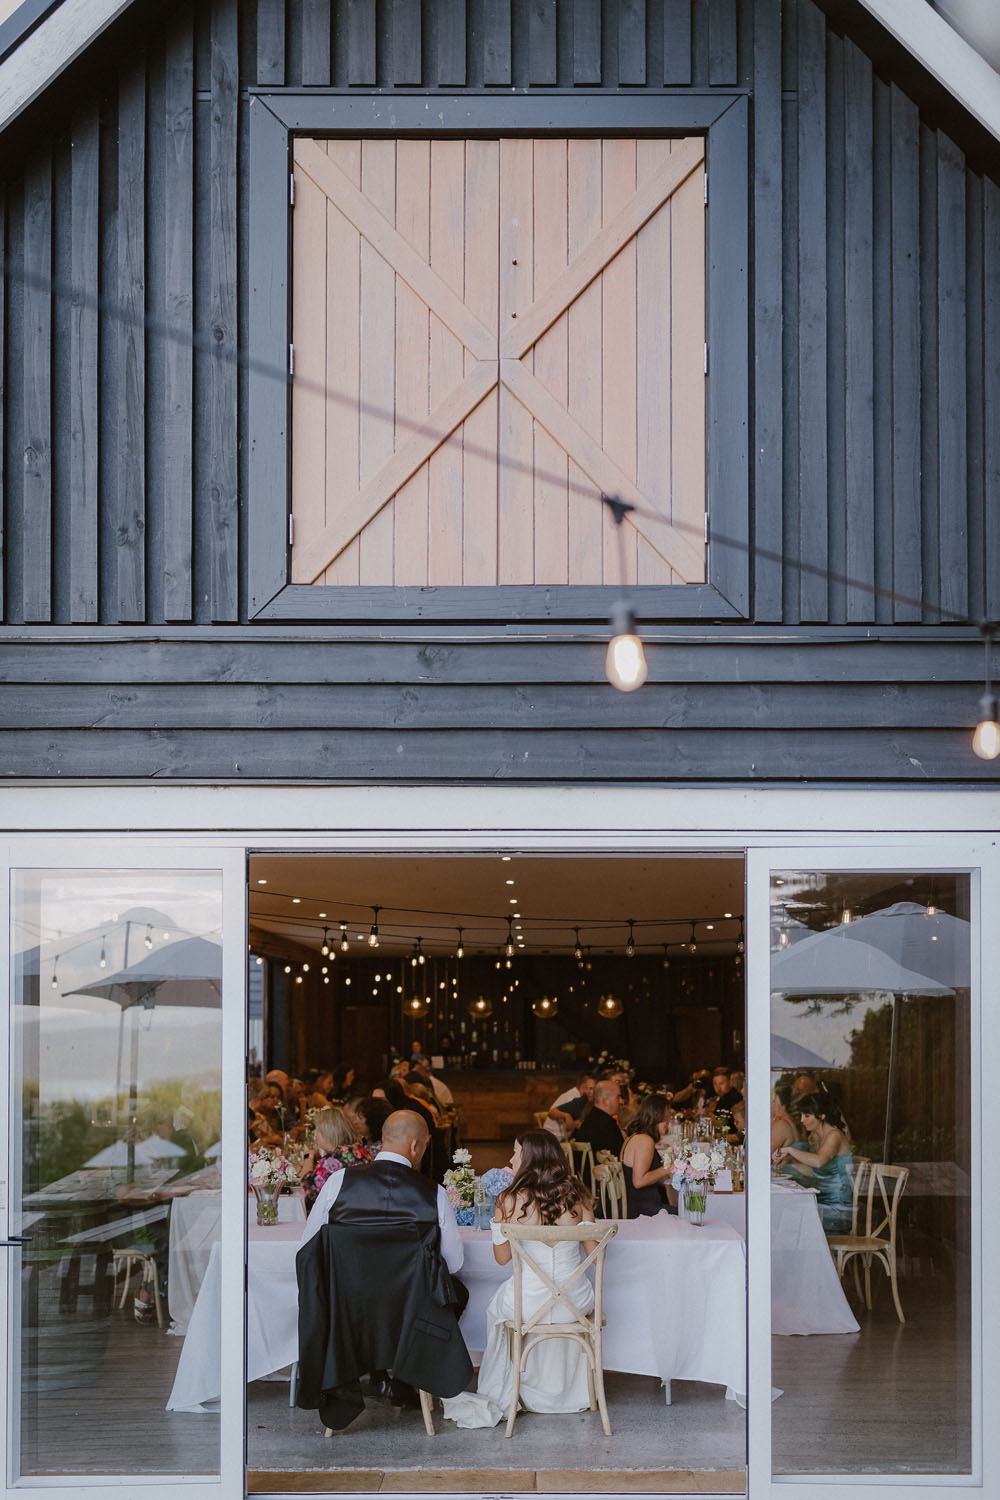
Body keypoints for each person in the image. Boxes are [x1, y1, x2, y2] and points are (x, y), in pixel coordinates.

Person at [299, 1109, 468, 1418]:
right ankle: (408, 1375)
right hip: (410, 1313)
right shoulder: (433, 1193)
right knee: (456, 1291)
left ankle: (368, 1375)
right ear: (416, 1146)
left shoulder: (339, 1182)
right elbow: (454, 1264)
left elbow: (309, 1249)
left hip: (348, 1310)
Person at [441, 1130, 596, 1428]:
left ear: (529, 1158)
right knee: (518, 1299)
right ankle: (567, 1392)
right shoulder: (578, 1197)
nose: (511, 1158)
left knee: (498, 1305)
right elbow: (595, 1254)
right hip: (575, 1304)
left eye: (515, 1152)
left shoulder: (508, 1200)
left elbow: (502, 1258)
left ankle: (517, 1388)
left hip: (528, 1305)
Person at [772, 1093, 854, 1232]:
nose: (802, 1120)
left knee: (791, 1218)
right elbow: (815, 1171)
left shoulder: (834, 1135)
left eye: (807, 1116)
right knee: (785, 1213)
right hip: (821, 1201)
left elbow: (818, 1162)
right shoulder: (816, 1137)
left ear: (822, 1116)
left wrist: (790, 1150)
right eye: (801, 1115)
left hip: (837, 1208)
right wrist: (790, 1162)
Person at [301, 1106, 373, 1209]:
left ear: (328, 1131)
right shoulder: (357, 1149)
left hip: (344, 1214)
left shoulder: (335, 1159)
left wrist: (309, 1155)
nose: (314, 1132)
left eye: (317, 1129)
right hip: (362, 1208)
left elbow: (306, 1189)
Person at [620, 1093, 675, 1217]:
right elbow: (639, 1181)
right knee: (690, 1213)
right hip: (643, 1210)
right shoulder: (644, 1140)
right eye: (666, 1117)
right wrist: (668, 1168)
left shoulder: (634, 1136)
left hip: (637, 1204)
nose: (668, 1122)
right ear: (657, 1116)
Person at [573, 1079, 623, 1156]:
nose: (621, 1101)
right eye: (618, 1097)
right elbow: (621, 1156)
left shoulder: (590, 1119)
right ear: (605, 1101)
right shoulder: (608, 1125)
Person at [545, 1073, 596, 1139]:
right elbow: (551, 1113)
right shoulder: (573, 1097)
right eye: (589, 1088)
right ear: (584, 1086)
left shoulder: (579, 1097)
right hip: (556, 1136)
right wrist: (566, 1116)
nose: (589, 1091)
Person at [770, 1083, 798, 1154]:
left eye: (774, 1101)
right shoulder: (792, 1121)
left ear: (782, 1105)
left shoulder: (782, 1124)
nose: (771, 1104)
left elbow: (766, 1151)